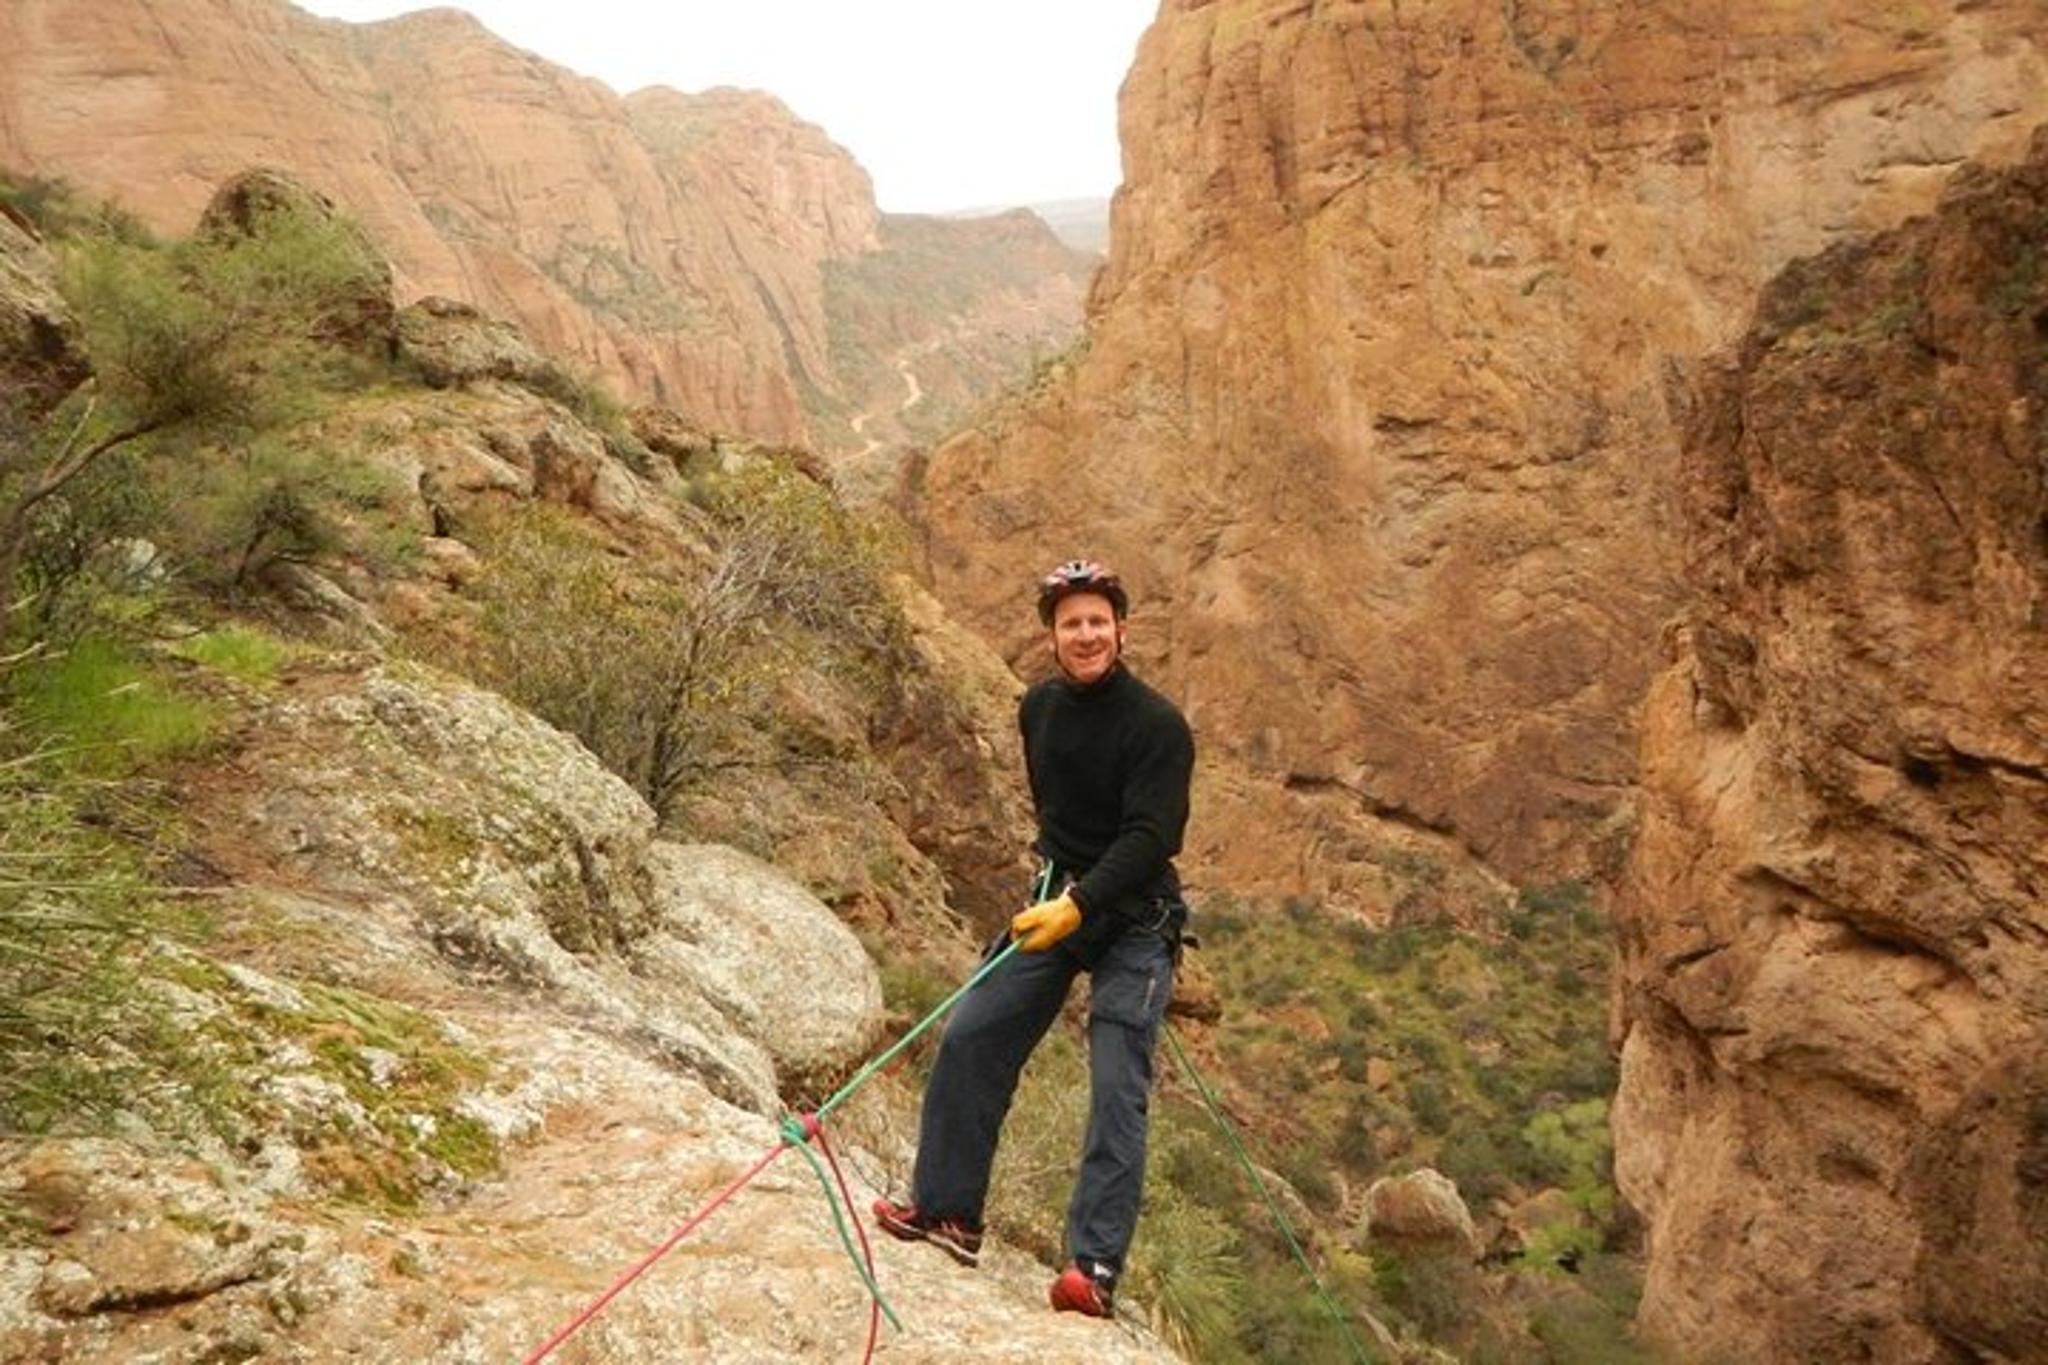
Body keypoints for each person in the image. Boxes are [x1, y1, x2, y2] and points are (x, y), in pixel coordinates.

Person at [873, 557, 1195, 1319]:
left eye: (1097, 620)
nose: (1085, 634)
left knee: (1116, 1086)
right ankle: (950, 1211)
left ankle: (1093, 1267)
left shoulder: (1158, 727)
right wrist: (1058, 893)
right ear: (1051, 635)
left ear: (1121, 628)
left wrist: (1082, 902)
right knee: (973, 1034)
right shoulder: (1038, 710)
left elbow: (1153, 835)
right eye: (1070, 623)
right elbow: (1058, 813)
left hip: (1134, 921)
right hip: (1060, 904)